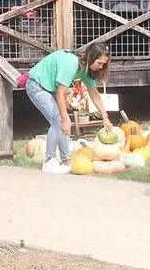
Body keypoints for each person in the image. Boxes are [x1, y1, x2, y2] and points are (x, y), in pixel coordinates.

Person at [26, 43, 113, 173]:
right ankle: (49, 161)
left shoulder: (86, 70)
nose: (101, 67)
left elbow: (94, 93)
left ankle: (66, 162)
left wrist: (105, 116)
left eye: (103, 65)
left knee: (65, 122)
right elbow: (61, 93)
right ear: (91, 57)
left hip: (51, 89)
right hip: (37, 86)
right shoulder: (71, 64)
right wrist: (64, 121)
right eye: (99, 63)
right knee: (58, 121)